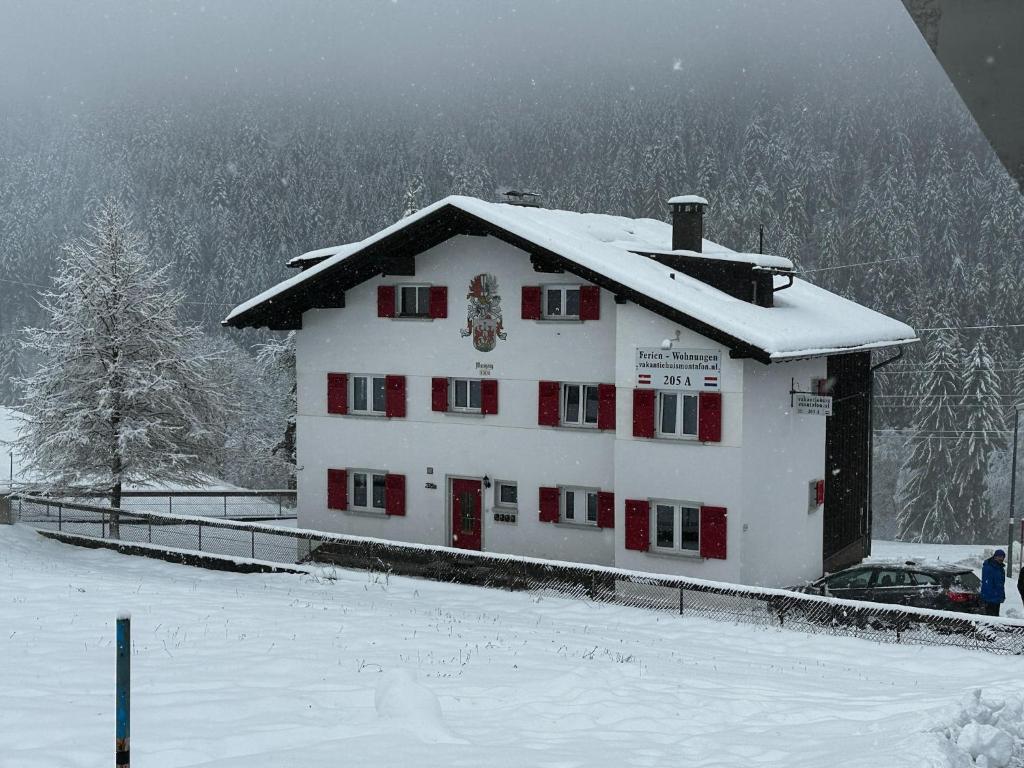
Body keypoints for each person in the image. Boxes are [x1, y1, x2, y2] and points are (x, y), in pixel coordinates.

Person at [980, 549, 1006, 616]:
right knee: (990, 619)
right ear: (995, 557)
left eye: (1003, 557)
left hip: (997, 598)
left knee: (995, 618)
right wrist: (989, 596)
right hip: (990, 599)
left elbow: (1001, 584)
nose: (1001, 558)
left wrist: (1001, 596)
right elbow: (986, 584)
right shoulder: (988, 567)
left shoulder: (1001, 568)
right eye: (999, 556)